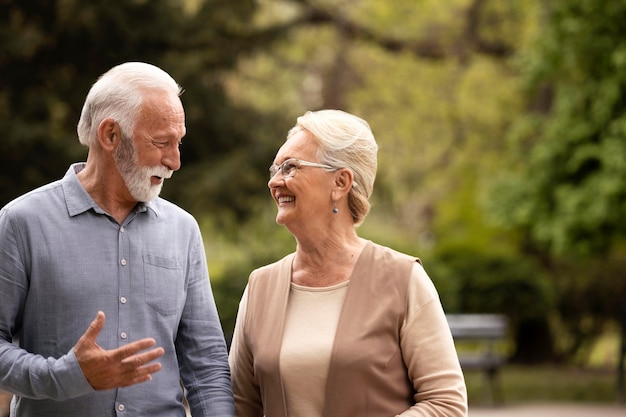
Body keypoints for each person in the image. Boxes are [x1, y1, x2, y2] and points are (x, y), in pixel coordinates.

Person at [0, 62, 235, 417]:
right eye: (161, 143)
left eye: (178, 142)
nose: (175, 161)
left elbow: (206, 363)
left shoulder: (183, 229)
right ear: (110, 135)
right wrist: (63, 375)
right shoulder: (22, 222)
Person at [229, 109, 468, 417]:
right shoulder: (261, 286)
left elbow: (446, 404)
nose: (275, 182)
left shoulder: (402, 279)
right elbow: (239, 406)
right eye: (275, 169)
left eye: (290, 167)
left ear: (340, 182)